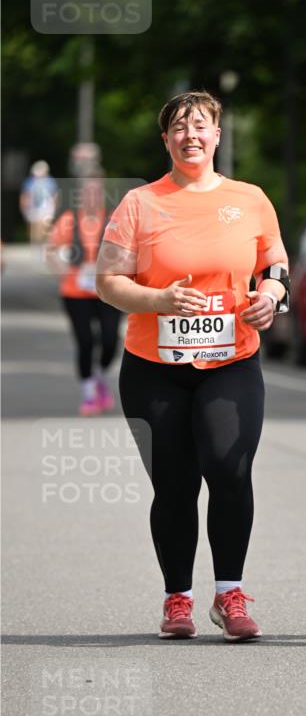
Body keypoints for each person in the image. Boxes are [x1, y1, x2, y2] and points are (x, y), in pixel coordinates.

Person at [96, 90, 289, 642]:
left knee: (230, 470)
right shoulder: (140, 203)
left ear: (217, 136)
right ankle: (176, 599)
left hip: (232, 360)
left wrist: (272, 295)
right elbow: (107, 282)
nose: (190, 135)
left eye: (200, 125)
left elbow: (275, 263)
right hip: (154, 366)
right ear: (166, 140)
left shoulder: (250, 198)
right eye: (179, 127)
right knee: (175, 486)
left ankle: (229, 593)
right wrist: (156, 301)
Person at [46, 176, 122, 415]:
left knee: (110, 339)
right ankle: (89, 393)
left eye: (96, 192)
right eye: (87, 193)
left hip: (107, 290)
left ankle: (100, 372)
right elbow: (50, 250)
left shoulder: (113, 220)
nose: (91, 197)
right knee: (85, 341)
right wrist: (63, 272)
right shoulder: (69, 221)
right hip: (75, 292)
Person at [20, 160, 59, 243]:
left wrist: (54, 207)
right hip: (33, 208)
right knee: (34, 228)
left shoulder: (50, 181)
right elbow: (25, 195)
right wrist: (24, 206)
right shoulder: (30, 182)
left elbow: (55, 195)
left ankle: (43, 244)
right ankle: (36, 245)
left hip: (46, 208)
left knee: (44, 228)